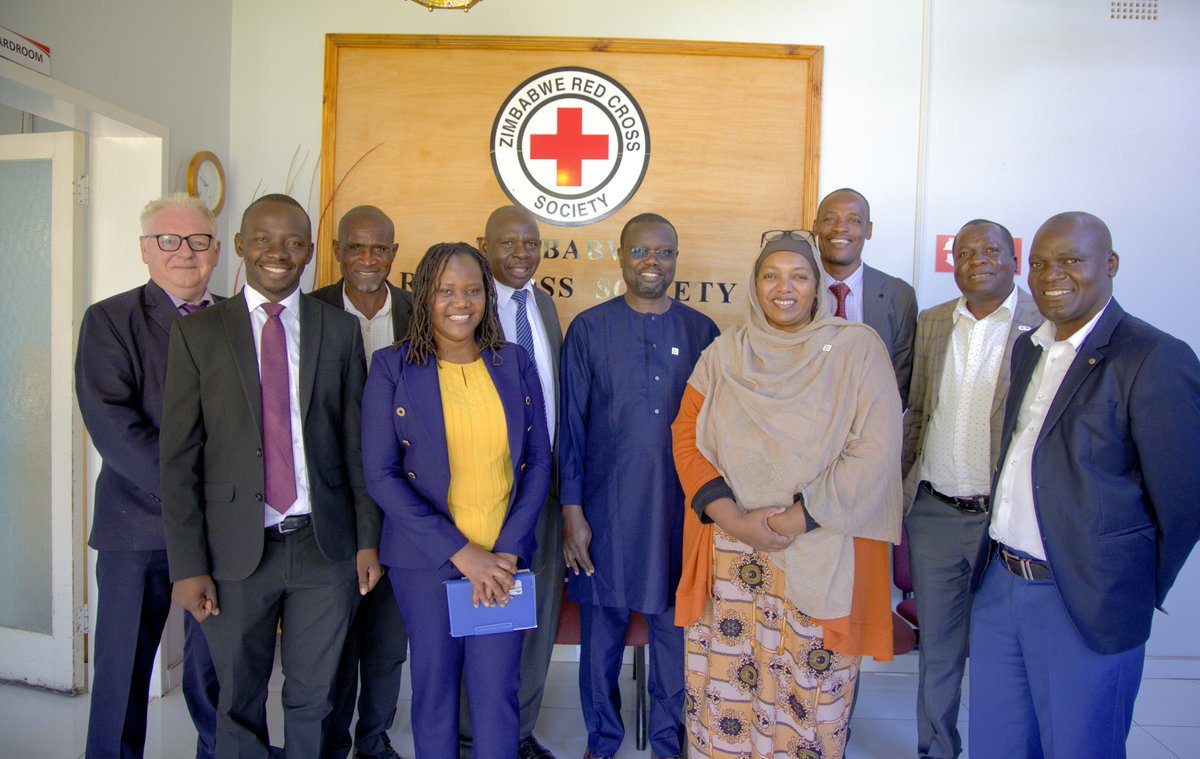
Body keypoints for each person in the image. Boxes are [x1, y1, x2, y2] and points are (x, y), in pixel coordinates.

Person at [968, 212, 1200, 759]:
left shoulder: (1153, 357)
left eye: (1072, 260)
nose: (1054, 275)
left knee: (1080, 746)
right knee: (997, 744)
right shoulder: (1030, 348)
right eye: (1042, 263)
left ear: (1111, 264)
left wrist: (1121, 582)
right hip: (1001, 585)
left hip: (1084, 601)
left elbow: (1184, 500)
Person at [161, 193, 382, 759]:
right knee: (237, 697)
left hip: (323, 549)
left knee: (317, 697)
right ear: (239, 245)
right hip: (235, 554)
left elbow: (356, 446)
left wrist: (365, 541)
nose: (277, 252)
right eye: (262, 238)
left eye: (292, 241)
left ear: (310, 251)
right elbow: (179, 460)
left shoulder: (337, 332)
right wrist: (187, 567)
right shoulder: (200, 335)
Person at [672, 231, 903, 759]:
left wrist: (792, 522)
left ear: (817, 285)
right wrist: (732, 517)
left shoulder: (857, 349)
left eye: (799, 276)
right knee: (727, 695)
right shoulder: (724, 353)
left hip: (822, 548)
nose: (785, 288)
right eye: (770, 276)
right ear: (753, 287)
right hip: (731, 556)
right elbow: (686, 436)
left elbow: (876, 450)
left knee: (809, 697)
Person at [360, 242, 551, 759]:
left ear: (487, 297)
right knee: (434, 693)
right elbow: (380, 474)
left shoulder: (513, 363)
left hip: (501, 562)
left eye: (472, 290)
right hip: (428, 561)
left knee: (496, 696)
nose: (459, 302)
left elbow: (538, 462)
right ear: (424, 296)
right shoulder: (393, 367)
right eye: (446, 291)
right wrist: (461, 552)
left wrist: (507, 551)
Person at [559, 212, 719, 759]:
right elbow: (572, 429)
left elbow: (716, 432)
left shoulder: (703, 332)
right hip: (604, 510)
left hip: (680, 510)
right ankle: (602, 741)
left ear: (676, 258)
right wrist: (571, 511)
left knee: (674, 632)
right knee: (600, 632)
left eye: (664, 252)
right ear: (621, 256)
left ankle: (668, 742)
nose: (653, 261)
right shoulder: (588, 328)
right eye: (641, 251)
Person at [75, 193, 222, 759]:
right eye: (168, 240)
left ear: (214, 249)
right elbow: (113, 428)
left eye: (197, 240)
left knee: (218, 671)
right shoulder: (110, 320)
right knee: (121, 673)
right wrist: (196, 495)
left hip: (221, 532)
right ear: (145, 250)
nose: (184, 253)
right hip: (138, 528)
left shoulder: (239, 319)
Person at [900, 220, 1042, 759]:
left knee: (1005, 652)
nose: (976, 260)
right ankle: (935, 750)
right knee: (938, 651)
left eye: (990, 251)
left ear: (1013, 258)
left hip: (1004, 521)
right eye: (964, 252)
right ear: (952, 261)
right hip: (934, 513)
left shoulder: (1041, 322)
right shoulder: (934, 322)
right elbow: (917, 411)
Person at [457, 206, 565, 759]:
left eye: (531, 242)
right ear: (484, 243)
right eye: (508, 242)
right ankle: (473, 737)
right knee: (484, 620)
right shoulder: (466, 307)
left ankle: (518, 735)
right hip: (488, 496)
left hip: (541, 494)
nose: (521, 253)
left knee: (536, 618)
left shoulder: (543, 305)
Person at [312, 205, 413, 759]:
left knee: (385, 643)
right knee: (331, 643)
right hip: (332, 502)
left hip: (403, 503)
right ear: (337, 252)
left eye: (380, 249)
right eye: (356, 248)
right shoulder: (313, 311)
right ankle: (331, 745)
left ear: (394, 254)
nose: (368, 259)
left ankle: (373, 743)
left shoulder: (420, 312)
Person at [812, 188, 917, 402]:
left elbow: (900, 380)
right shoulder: (793, 291)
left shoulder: (899, 295)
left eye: (854, 220)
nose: (841, 228)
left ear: (868, 230)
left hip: (870, 426)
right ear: (815, 227)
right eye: (831, 219)